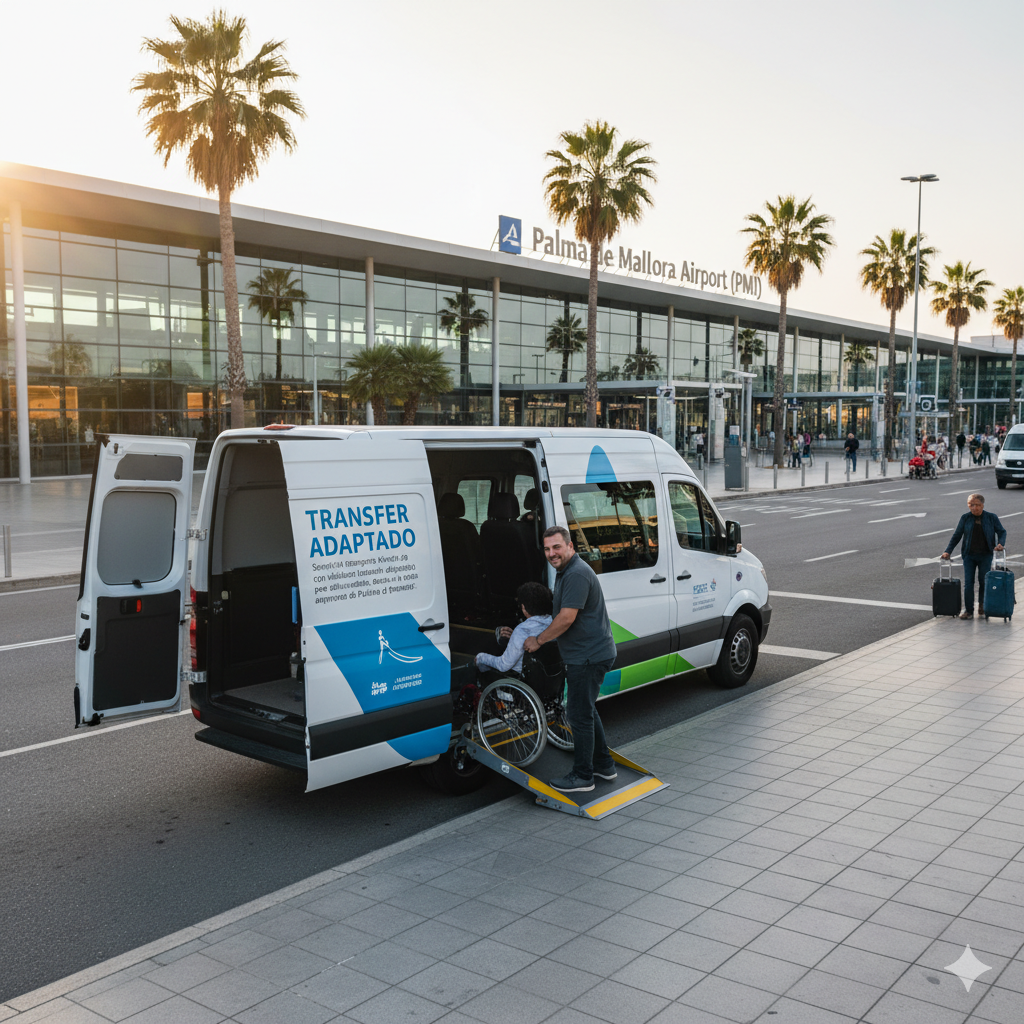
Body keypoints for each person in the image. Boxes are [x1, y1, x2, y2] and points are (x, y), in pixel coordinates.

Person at [524, 526, 617, 793]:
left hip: (588, 657)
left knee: (578, 715)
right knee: (585, 710)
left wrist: (538, 640)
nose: (551, 553)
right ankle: (604, 765)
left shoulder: (575, 573)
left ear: (570, 546)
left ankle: (583, 776)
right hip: (587, 654)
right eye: (547, 549)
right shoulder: (565, 571)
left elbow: (566, 618)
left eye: (556, 547)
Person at [941, 493, 1006, 619]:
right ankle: (969, 610)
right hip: (969, 555)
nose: (974, 508)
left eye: (977, 505)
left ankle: (982, 605)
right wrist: (947, 551)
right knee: (968, 583)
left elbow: (1002, 531)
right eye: (971, 505)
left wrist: (1000, 544)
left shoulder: (991, 517)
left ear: (982, 505)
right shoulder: (965, 518)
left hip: (985, 555)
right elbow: (957, 535)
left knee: (983, 581)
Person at [474, 582, 552, 679]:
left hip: (521, 679)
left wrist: (481, 657)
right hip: (548, 680)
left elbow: (503, 665)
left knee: (481, 659)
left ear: (523, 607)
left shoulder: (522, 630)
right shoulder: (554, 625)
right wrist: (513, 639)